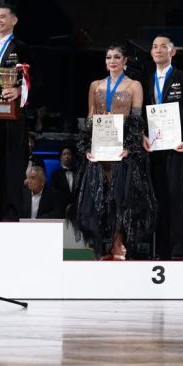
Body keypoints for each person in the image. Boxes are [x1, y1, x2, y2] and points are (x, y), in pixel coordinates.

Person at [70, 44, 156, 259]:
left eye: (117, 57)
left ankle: (118, 246)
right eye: (109, 57)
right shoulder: (96, 85)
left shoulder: (134, 85)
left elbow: (136, 119)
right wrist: (87, 147)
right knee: (96, 198)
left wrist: (129, 147)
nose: (112, 61)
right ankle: (99, 247)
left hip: (122, 149)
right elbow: (90, 117)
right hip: (99, 148)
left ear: (125, 61)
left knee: (121, 199)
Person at [142, 36, 183, 261]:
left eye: (163, 46)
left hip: (178, 144)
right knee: (158, 196)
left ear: (172, 52)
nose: (158, 50)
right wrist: (142, 136)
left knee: (176, 194)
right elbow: (142, 112)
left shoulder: (182, 77)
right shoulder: (147, 79)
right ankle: (161, 250)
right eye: (154, 46)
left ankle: (178, 250)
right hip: (155, 145)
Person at [0, 4, 30, 221]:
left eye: (3, 17)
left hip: (13, 113)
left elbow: (36, 78)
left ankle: (12, 211)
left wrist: (19, 90)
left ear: (14, 20)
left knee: (13, 161)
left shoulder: (22, 47)